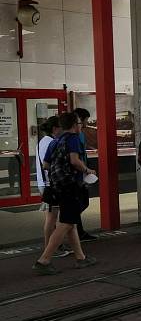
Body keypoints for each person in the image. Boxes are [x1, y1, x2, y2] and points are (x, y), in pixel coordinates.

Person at [33, 112, 97, 275]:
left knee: (71, 222)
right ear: (75, 125)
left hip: (57, 186)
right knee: (66, 223)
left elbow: (46, 164)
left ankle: (81, 258)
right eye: (80, 123)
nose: (82, 126)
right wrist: (87, 170)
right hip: (71, 186)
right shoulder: (73, 139)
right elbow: (75, 160)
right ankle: (44, 260)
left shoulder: (55, 142)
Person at [36, 115, 69, 257]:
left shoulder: (43, 141)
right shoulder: (51, 142)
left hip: (46, 183)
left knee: (54, 218)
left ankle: (55, 245)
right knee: (51, 218)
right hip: (50, 184)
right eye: (62, 127)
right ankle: (50, 248)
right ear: (56, 129)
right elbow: (49, 165)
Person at [73, 107, 97, 241]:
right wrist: (86, 170)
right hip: (79, 173)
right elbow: (76, 157)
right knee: (80, 202)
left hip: (81, 171)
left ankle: (77, 230)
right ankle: (72, 227)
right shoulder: (75, 136)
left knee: (82, 202)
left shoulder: (80, 134)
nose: (87, 122)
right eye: (86, 120)